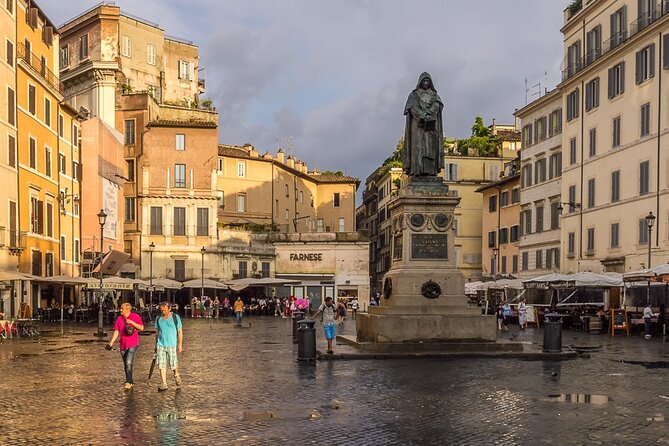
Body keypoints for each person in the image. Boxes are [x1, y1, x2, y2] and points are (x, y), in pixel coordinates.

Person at [403, 72, 444, 177]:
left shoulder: (434, 95)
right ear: (420, 82)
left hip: (431, 125)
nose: (426, 83)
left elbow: (437, 105)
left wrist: (430, 113)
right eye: (424, 81)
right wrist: (423, 115)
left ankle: (430, 171)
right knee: (418, 147)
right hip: (417, 125)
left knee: (430, 148)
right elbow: (412, 108)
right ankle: (417, 170)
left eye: (427, 81)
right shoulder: (414, 95)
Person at [107, 303, 144, 390]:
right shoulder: (119, 319)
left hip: (133, 343)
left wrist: (131, 322)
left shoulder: (135, 316)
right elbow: (117, 331)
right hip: (123, 344)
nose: (120, 310)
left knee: (128, 362)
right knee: (126, 364)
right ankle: (130, 380)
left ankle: (128, 381)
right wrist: (111, 342)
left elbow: (142, 328)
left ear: (127, 309)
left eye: (122, 308)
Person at [155, 301, 183, 391]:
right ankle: (164, 382)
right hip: (161, 344)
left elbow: (180, 331)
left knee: (173, 363)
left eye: (165, 310)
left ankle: (176, 374)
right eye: (162, 310)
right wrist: (155, 344)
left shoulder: (175, 317)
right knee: (161, 363)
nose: (163, 312)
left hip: (171, 344)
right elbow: (157, 332)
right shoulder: (158, 318)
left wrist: (180, 344)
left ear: (169, 309)